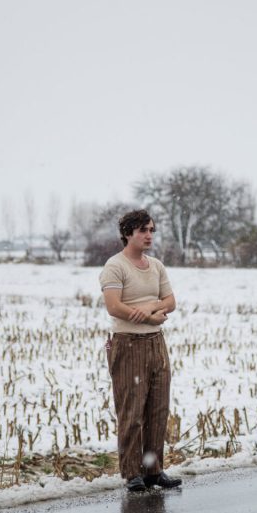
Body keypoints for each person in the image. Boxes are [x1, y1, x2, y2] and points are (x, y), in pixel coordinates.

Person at [99, 209, 182, 492]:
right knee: (131, 411)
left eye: (151, 230)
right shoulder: (115, 266)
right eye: (143, 230)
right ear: (127, 234)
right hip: (127, 343)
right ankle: (132, 472)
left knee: (158, 409)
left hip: (156, 343)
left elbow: (170, 301)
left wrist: (149, 309)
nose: (149, 235)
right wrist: (150, 315)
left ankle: (153, 470)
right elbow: (114, 306)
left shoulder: (156, 266)